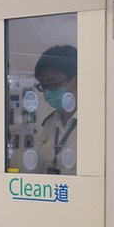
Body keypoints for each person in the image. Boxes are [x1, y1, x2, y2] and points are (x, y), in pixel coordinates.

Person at [34, 45, 78, 175]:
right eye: (43, 85)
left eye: (53, 84)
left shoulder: (95, 124)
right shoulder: (49, 123)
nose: (48, 91)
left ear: (75, 81)